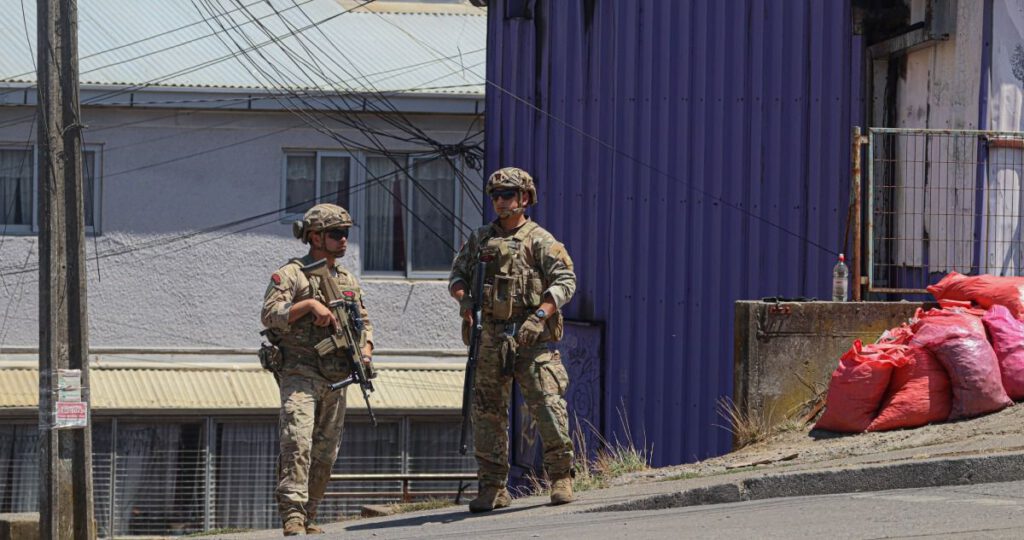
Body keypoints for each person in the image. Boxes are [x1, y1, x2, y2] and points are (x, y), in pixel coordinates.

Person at [448, 167, 578, 512]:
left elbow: (565, 281)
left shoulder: (540, 240)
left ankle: (561, 476)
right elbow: (457, 276)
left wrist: (540, 316)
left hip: (530, 336)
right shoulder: (480, 239)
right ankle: (493, 487)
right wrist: (465, 303)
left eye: (507, 194)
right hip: (489, 337)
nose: (500, 201)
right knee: (487, 413)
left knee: (547, 406)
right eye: (496, 196)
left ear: (524, 198)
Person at [260, 203, 374, 535]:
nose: (343, 239)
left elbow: (364, 322)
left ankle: (310, 513)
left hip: (337, 376)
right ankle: (292, 515)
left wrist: (366, 351)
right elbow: (269, 314)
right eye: (336, 233)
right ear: (314, 236)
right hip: (300, 371)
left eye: (346, 233)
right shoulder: (292, 274)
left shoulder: (347, 280)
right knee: (297, 441)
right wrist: (309, 305)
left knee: (325, 452)